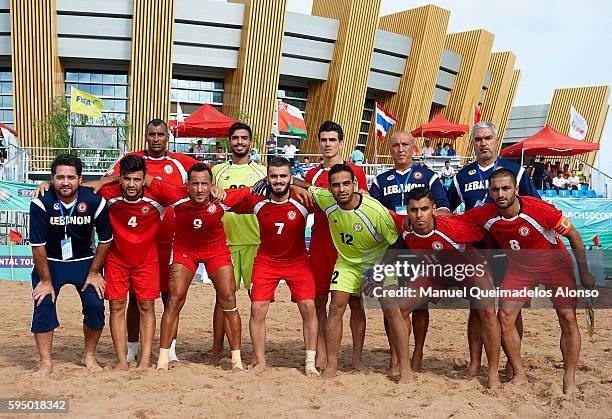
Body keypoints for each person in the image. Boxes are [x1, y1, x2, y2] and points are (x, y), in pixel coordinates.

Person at [465, 168, 595, 394]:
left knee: (567, 317)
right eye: (495, 189)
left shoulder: (540, 210)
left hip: (555, 265)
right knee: (504, 317)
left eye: (506, 188)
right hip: (520, 268)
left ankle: (569, 378)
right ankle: (519, 373)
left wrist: (584, 273)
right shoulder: (484, 214)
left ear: (516, 189)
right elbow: (460, 225)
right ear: (490, 192)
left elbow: (573, 235)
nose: (501, 194)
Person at [294, 164, 412, 382]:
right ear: (329, 188)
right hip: (347, 263)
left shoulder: (374, 210)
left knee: (391, 308)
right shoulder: (326, 200)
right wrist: (290, 182)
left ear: (355, 185)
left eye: (346, 184)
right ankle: (331, 366)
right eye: (336, 185)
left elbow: (398, 243)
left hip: (379, 260)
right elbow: (306, 185)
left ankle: (404, 369)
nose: (341, 189)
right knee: (335, 306)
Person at [446, 120, 539, 378]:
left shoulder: (516, 171)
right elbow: (447, 210)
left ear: (496, 141)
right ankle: (475, 365)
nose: (483, 143)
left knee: (510, 312)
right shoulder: (461, 177)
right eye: (478, 139)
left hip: (512, 251)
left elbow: (533, 207)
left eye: (488, 138)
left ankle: (511, 365)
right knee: (477, 309)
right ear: (472, 143)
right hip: (477, 253)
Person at [385, 187, 502, 388]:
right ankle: (406, 368)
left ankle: (491, 373)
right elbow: (381, 210)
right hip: (435, 274)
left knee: (487, 310)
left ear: (434, 209)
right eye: (413, 210)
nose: (419, 215)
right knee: (398, 309)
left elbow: (486, 228)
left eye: (424, 209)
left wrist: (490, 266)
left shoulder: (454, 226)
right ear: (407, 211)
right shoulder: (404, 225)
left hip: (468, 270)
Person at [369, 130, 451, 373]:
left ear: (414, 147)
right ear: (390, 149)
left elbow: (444, 210)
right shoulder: (380, 181)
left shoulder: (430, 176)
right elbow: (375, 214)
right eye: (395, 145)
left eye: (405, 144)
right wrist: (397, 220)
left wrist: (416, 221)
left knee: (420, 308)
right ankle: (395, 357)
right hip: (393, 250)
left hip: (421, 252)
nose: (400, 149)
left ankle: (417, 354)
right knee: (390, 307)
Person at [151, 164, 246, 371]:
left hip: (216, 250)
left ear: (211, 185)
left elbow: (254, 188)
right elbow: (144, 178)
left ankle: (236, 359)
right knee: (174, 298)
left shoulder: (223, 198)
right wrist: (105, 181)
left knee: (229, 297)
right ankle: (163, 358)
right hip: (186, 250)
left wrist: (295, 184)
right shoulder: (175, 195)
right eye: (195, 184)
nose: (200, 189)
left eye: (204, 184)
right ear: (187, 185)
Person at [231, 157, 319, 375]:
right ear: (267, 178)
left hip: (297, 261)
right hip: (266, 261)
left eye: (283, 176)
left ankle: (309, 362)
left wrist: (303, 185)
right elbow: (230, 201)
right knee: (257, 308)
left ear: (291, 178)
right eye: (273, 176)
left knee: (309, 307)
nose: (278, 181)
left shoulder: (304, 200)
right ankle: (260, 360)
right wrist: (252, 187)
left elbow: (331, 196)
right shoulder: (257, 202)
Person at [29, 154, 113, 375]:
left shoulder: (94, 200)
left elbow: (106, 240)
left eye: (71, 177)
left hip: (85, 263)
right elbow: (37, 245)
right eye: (59, 177)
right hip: (51, 263)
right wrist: (46, 280)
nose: (65, 182)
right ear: (52, 178)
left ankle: (89, 356)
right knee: (43, 302)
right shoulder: (40, 201)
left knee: (95, 306)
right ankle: (46, 362)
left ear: (80, 178)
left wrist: (95, 272)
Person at [304, 120, 368, 370]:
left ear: (341, 143)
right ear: (319, 143)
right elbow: (305, 209)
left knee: (354, 303)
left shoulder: (355, 172)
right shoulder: (312, 175)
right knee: (320, 301)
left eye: (333, 140)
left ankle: (356, 358)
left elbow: (365, 206)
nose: (328, 144)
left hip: (351, 247)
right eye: (324, 139)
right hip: (321, 245)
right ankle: (321, 353)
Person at [98, 155, 167, 370]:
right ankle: (122, 360)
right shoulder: (108, 196)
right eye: (127, 179)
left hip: (147, 261)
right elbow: (73, 186)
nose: (131, 184)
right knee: (117, 306)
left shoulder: (157, 199)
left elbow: (182, 191)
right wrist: (45, 184)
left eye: (137, 180)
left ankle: (145, 359)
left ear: (144, 180)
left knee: (146, 306)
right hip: (116, 261)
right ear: (120, 179)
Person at [210, 122, 266, 364]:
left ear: (250, 143)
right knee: (223, 298)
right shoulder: (217, 171)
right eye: (235, 138)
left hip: (256, 242)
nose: (240, 142)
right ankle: (216, 349)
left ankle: (256, 352)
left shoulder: (263, 172)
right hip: (226, 243)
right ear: (229, 142)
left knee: (258, 300)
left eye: (244, 138)